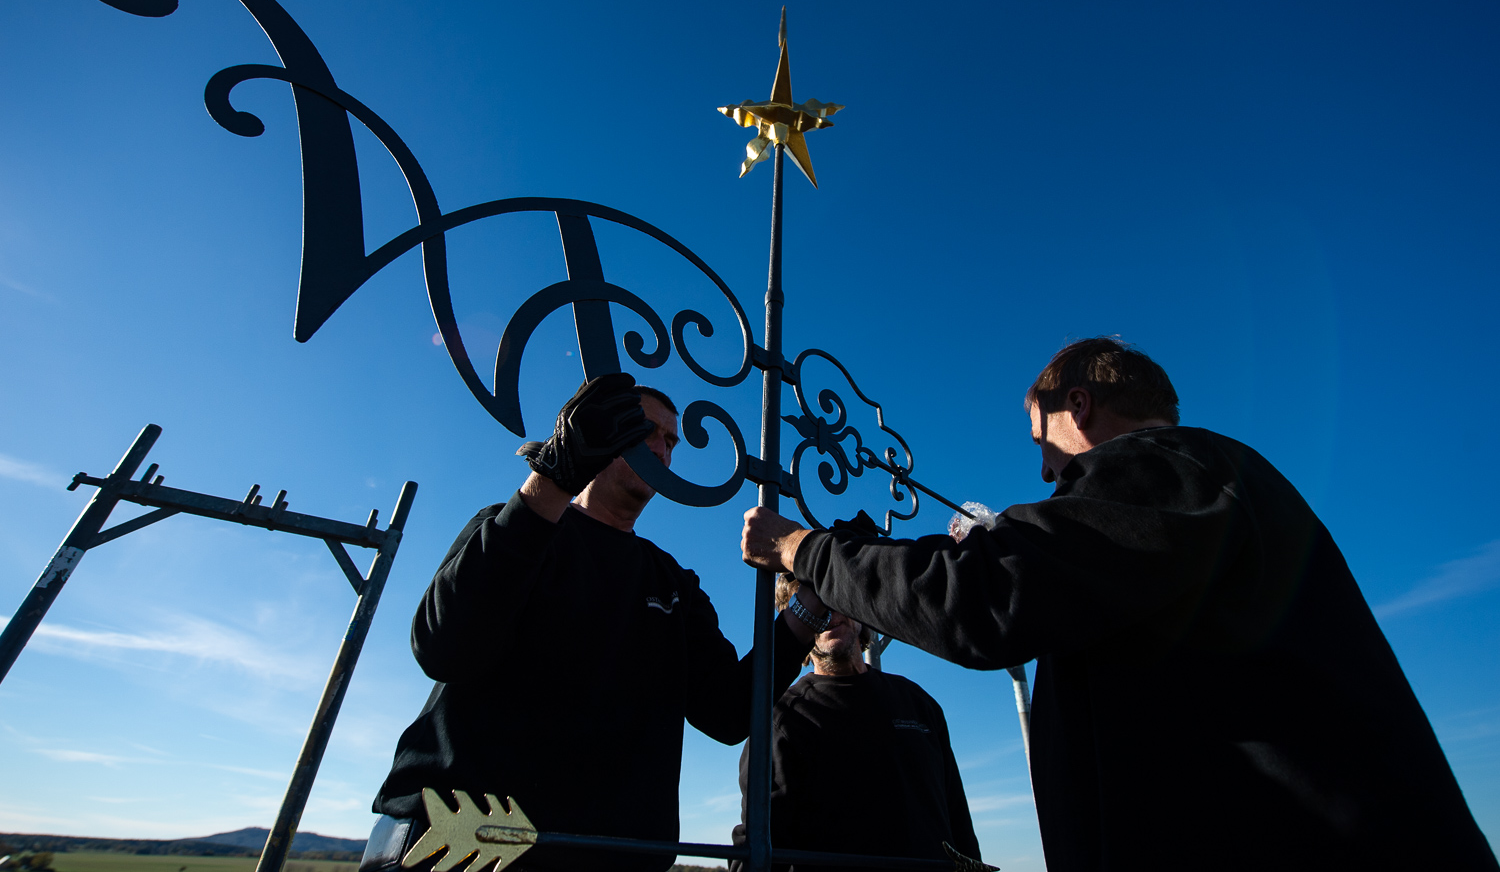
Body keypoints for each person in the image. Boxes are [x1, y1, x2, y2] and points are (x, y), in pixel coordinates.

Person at [741, 338, 1499, 872]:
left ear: (1078, 404)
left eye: (1043, 439)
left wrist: (803, 551)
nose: (1043, 466)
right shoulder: (1212, 483)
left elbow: (984, 599)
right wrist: (1016, 541)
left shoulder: (1164, 468)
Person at [363, 373, 821, 872]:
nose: (662, 450)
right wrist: (554, 474)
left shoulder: (673, 583)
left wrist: (812, 603)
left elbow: (732, 712)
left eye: (670, 441)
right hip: (463, 851)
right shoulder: (514, 527)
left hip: (619, 860)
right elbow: (443, 646)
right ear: (600, 429)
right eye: (645, 430)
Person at [729, 568, 982, 872]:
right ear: (796, 623)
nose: (829, 612)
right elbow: (759, 848)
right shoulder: (781, 721)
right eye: (811, 604)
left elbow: (959, 824)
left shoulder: (918, 703)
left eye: (836, 598)